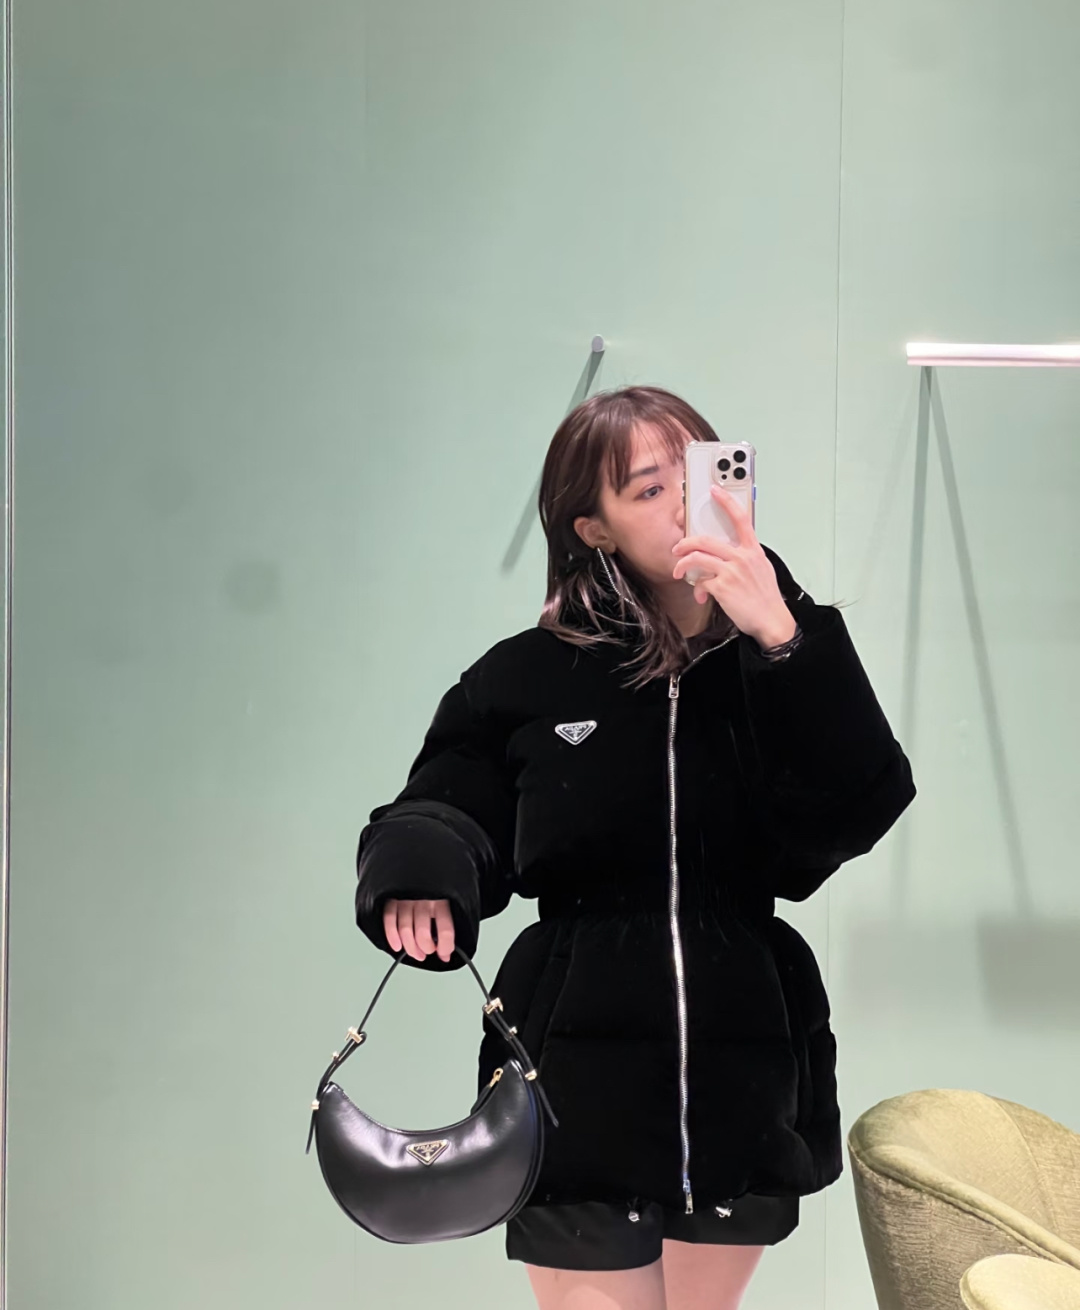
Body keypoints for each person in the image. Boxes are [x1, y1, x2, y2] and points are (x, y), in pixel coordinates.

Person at [354, 385, 916, 1310]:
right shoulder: (528, 675)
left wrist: (783, 638)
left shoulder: (778, 654)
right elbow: (447, 800)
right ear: (596, 528)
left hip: (741, 1064)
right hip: (573, 1067)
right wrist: (423, 871)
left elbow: (861, 804)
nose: (684, 505)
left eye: (696, 474)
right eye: (649, 490)